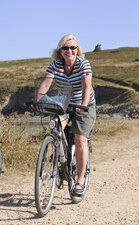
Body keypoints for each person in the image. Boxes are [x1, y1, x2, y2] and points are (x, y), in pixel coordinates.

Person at [38, 34, 96, 195]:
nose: (69, 50)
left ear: (78, 50)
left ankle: (80, 179)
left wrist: (83, 106)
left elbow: (86, 86)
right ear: (60, 50)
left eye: (73, 47)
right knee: (55, 127)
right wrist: (38, 102)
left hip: (84, 104)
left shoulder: (83, 63)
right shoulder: (55, 65)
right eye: (65, 48)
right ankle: (59, 158)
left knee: (80, 139)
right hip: (64, 103)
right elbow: (45, 84)